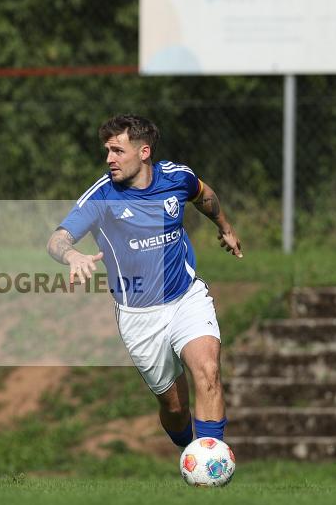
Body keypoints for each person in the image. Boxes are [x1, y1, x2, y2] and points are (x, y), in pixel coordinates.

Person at [47, 114, 242, 449]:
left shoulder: (176, 178)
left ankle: (210, 462)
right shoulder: (102, 196)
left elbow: (203, 194)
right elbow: (57, 239)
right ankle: (187, 452)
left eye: (117, 151)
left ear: (144, 152)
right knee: (175, 408)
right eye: (107, 151)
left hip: (185, 297)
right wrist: (72, 255)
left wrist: (225, 227)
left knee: (208, 370)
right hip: (138, 316)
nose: (109, 159)